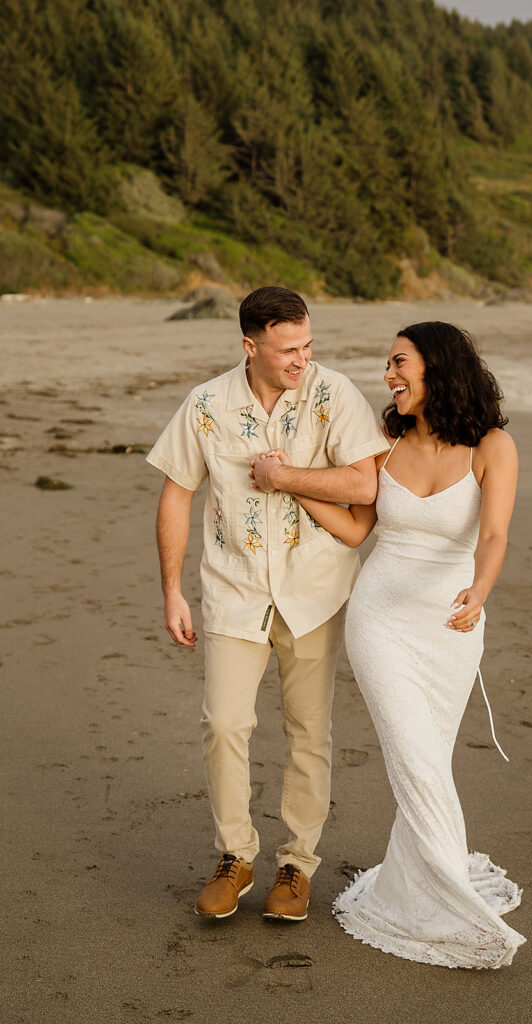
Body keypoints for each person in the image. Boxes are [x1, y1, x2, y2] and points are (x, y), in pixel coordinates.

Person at [259, 321, 526, 967]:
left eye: (399, 363)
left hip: (451, 625)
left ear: (437, 366)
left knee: (429, 758)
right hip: (379, 621)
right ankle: (449, 899)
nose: (389, 376)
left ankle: (419, 884)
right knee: (414, 758)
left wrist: (481, 589)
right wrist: (287, 480)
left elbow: (491, 536)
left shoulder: (492, 445)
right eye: (388, 365)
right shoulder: (388, 441)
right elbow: (356, 531)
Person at [146, 286, 388, 922]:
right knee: (224, 722)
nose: (300, 359)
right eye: (287, 349)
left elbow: (367, 483)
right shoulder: (205, 405)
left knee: (310, 731)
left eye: (307, 344)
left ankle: (296, 865)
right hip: (234, 588)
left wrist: (286, 478)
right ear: (249, 346)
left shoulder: (334, 394)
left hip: (316, 592)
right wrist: (172, 589)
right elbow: (177, 494)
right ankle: (235, 855)